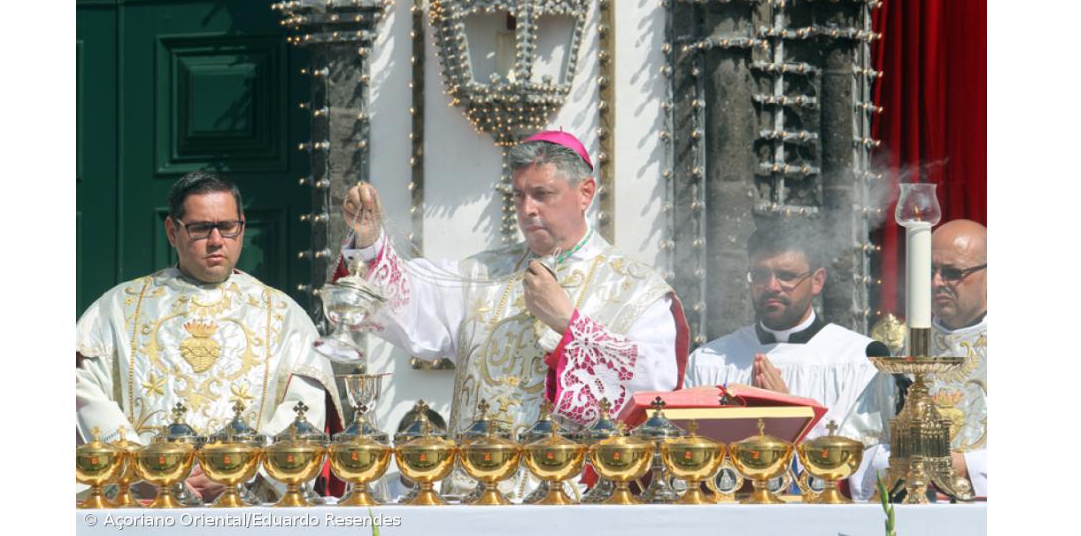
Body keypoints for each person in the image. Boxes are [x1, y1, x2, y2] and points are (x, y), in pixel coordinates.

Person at [336, 130, 689, 437]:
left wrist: (569, 325)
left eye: (542, 194)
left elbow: (653, 392)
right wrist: (369, 242)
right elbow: (412, 302)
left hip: (574, 488)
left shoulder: (636, 291)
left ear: (585, 193)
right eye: (519, 195)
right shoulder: (483, 274)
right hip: (479, 481)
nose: (527, 209)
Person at [76, 171, 341, 501]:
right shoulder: (116, 309)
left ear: (242, 227)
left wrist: (242, 467)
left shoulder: (284, 315)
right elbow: (82, 388)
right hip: (145, 504)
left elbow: (304, 407)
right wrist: (145, 472)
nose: (216, 240)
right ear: (172, 231)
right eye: (201, 228)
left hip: (249, 506)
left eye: (228, 227)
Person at [684, 221, 889, 439]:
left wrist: (791, 416)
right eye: (760, 275)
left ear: (817, 281)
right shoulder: (708, 361)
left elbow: (869, 449)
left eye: (786, 276)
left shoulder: (858, 359)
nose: (771, 286)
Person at [847, 219, 987, 499]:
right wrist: (904, 466)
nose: (936, 283)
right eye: (930, 271)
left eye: (952, 273)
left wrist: (967, 466)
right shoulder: (906, 354)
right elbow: (858, 441)